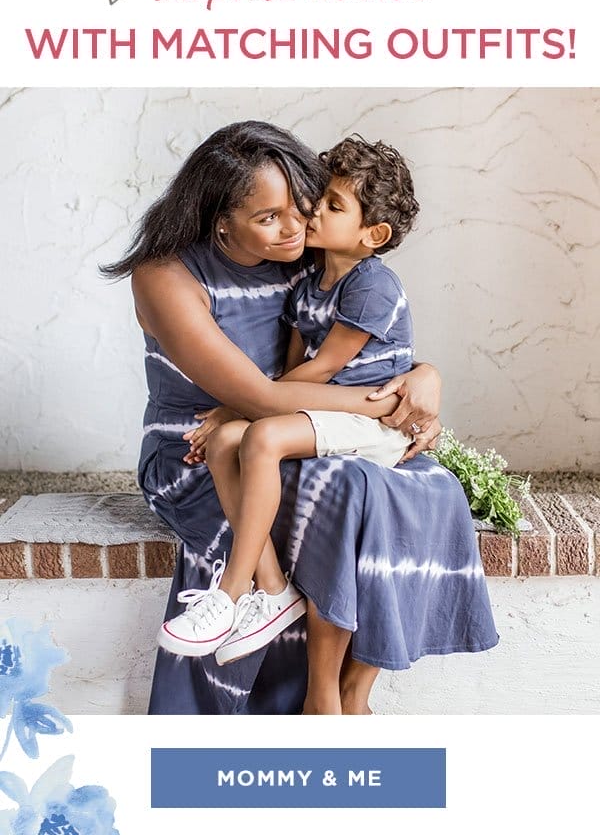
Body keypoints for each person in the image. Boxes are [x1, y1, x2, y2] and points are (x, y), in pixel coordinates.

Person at [102, 120, 498, 715]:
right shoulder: (165, 276)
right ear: (221, 221)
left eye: (303, 205)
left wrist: (424, 376)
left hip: (281, 433)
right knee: (339, 485)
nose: (297, 225)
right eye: (269, 217)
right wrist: (389, 409)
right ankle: (296, 675)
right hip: (193, 451)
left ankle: (339, 693)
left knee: (416, 487)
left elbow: (357, 346)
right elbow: (263, 398)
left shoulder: (304, 261)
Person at [158, 136, 420, 682]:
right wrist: (244, 413)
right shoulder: (303, 281)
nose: (304, 219)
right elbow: (284, 378)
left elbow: (323, 372)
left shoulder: (356, 281)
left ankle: (235, 593)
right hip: (307, 420)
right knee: (233, 444)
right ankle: (273, 595)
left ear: (373, 234)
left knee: (259, 440)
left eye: (323, 206)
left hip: (361, 420)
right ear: (223, 220)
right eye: (314, 200)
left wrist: (239, 411)